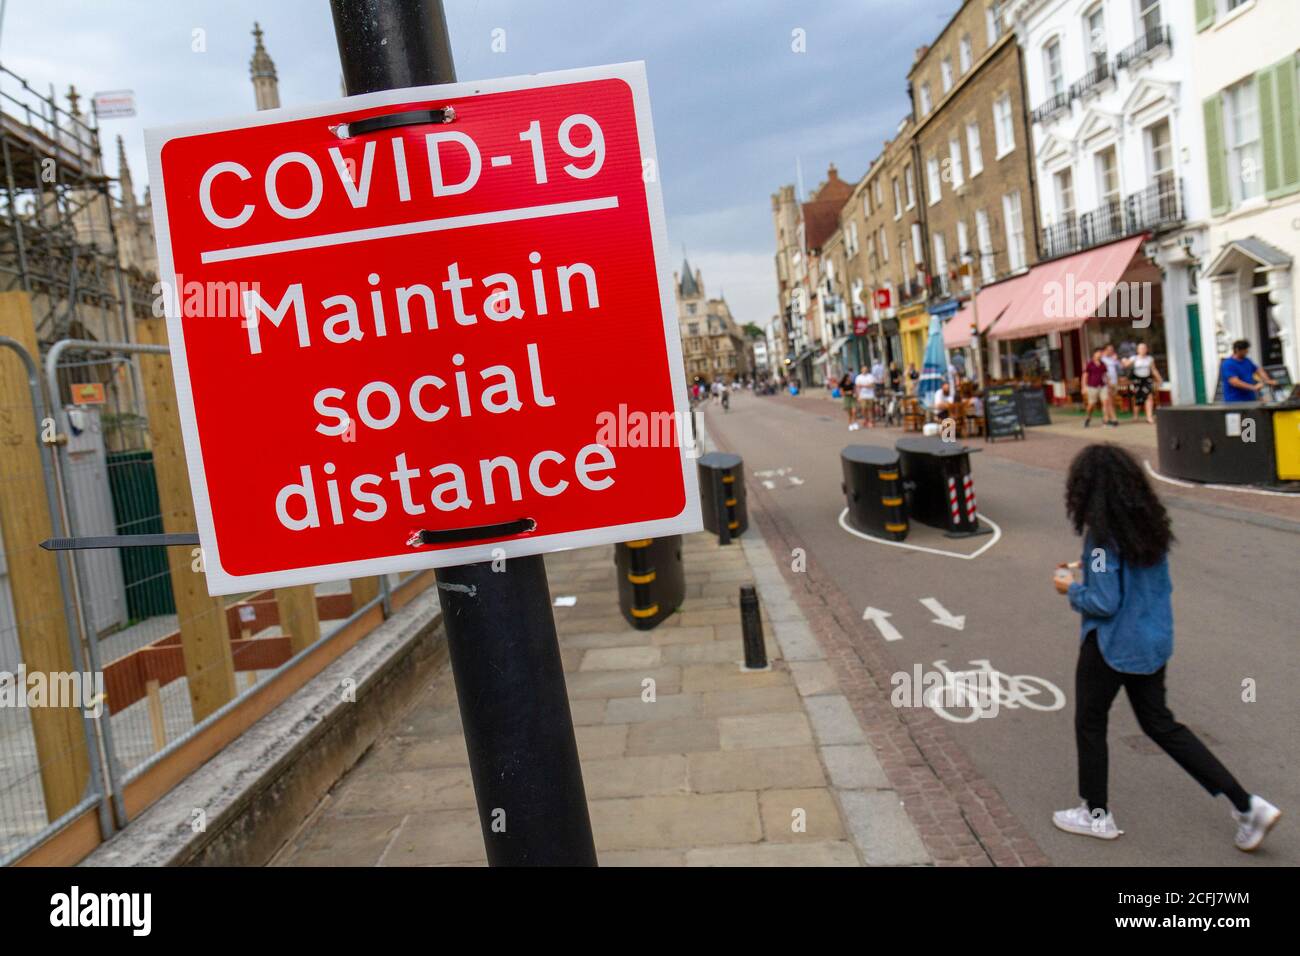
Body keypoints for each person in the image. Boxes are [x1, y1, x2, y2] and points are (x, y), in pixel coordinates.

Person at [1051, 444, 1281, 850]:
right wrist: (1091, 570)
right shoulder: (1147, 526)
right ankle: (1247, 805)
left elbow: (1104, 602)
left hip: (1111, 646)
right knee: (1162, 725)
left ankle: (1096, 813)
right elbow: (1128, 580)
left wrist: (1072, 588)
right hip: (1152, 641)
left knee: (1090, 722)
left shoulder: (1101, 539)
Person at [1123, 342, 1163, 423]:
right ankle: (1135, 416)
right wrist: (1124, 360)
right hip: (1137, 380)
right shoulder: (1134, 358)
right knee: (1138, 398)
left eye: (1144, 348)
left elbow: (1153, 369)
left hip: (1147, 380)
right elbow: (1125, 365)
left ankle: (1149, 417)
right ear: (1138, 350)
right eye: (1141, 348)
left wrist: (1159, 378)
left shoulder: (1150, 359)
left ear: (1147, 349)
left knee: (1149, 396)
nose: (1143, 350)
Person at [1082, 348, 1107, 428]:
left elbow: (1105, 375)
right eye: (1098, 353)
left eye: (1101, 353)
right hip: (1092, 386)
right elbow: (1085, 375)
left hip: (1102, 386)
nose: (1100, 354)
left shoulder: (1103, 364)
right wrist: (1084, 386)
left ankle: (1105, 420)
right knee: (1092, 404)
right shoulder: (1090, 364)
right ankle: (1088, 417)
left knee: (1105, 402)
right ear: (1094, 354)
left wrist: (1109, 384)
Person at [1100, 343, 1121, 428]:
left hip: (1114, 382)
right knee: (1108, 401)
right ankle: (1113, 419)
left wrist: (1117, 360)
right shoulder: (1102, 359)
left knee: (1111, 401)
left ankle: (1108, 419)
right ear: (1105, 350)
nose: (1111, 351)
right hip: (1106, 383)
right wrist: (1107, 382)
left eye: (1112, 349)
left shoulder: (1112, 359)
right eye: (1109, 349)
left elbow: (1120, 367)